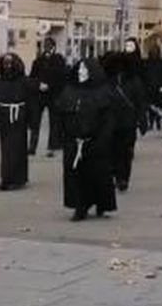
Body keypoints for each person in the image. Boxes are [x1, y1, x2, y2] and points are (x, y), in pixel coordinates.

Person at [57, 59, 117, 222]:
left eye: (85, 70)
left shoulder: (102, 92)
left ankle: (101, 204)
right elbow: (61, 116)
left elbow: (108, 120)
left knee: (98, 175)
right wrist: (65, 137)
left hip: (95, 142)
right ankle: (79, 206)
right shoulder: (69, 91)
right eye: (80, 70)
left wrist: (102, 140)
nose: (81, 73)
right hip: (74, 142)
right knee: (76, 175)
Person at [105, 44, 148, 193]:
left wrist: (143, 121)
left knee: (126, 152)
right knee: (113, 150)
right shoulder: (108, 82)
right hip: (111, 123)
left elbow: (141, 102)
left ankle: (123, 178)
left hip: (127, 123)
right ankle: (116, 174)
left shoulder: (133, 82)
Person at [0, 54, 35, 191]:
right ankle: (6, 177)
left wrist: (31, 121)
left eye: (10, 64)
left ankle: (18, 178)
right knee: (6, 150)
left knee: (18, 149)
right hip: (5, 119)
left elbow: (30, 102)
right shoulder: (0, 82)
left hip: (18, 118)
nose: (8, 66)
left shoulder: (24, 81)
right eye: (5, 64)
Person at [28, 38, 67, 157]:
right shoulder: (38, 61)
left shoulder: (59, 60)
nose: (47, 48)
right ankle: (32, 147)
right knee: (35, 121)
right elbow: (32, 77)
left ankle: (52, 147)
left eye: (49, 46)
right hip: (39, 95)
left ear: (54, 47)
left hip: (53, 95)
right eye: (45, 46)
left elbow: (61, 77)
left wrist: (49, 85)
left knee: (54, 122)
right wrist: (38, 84)